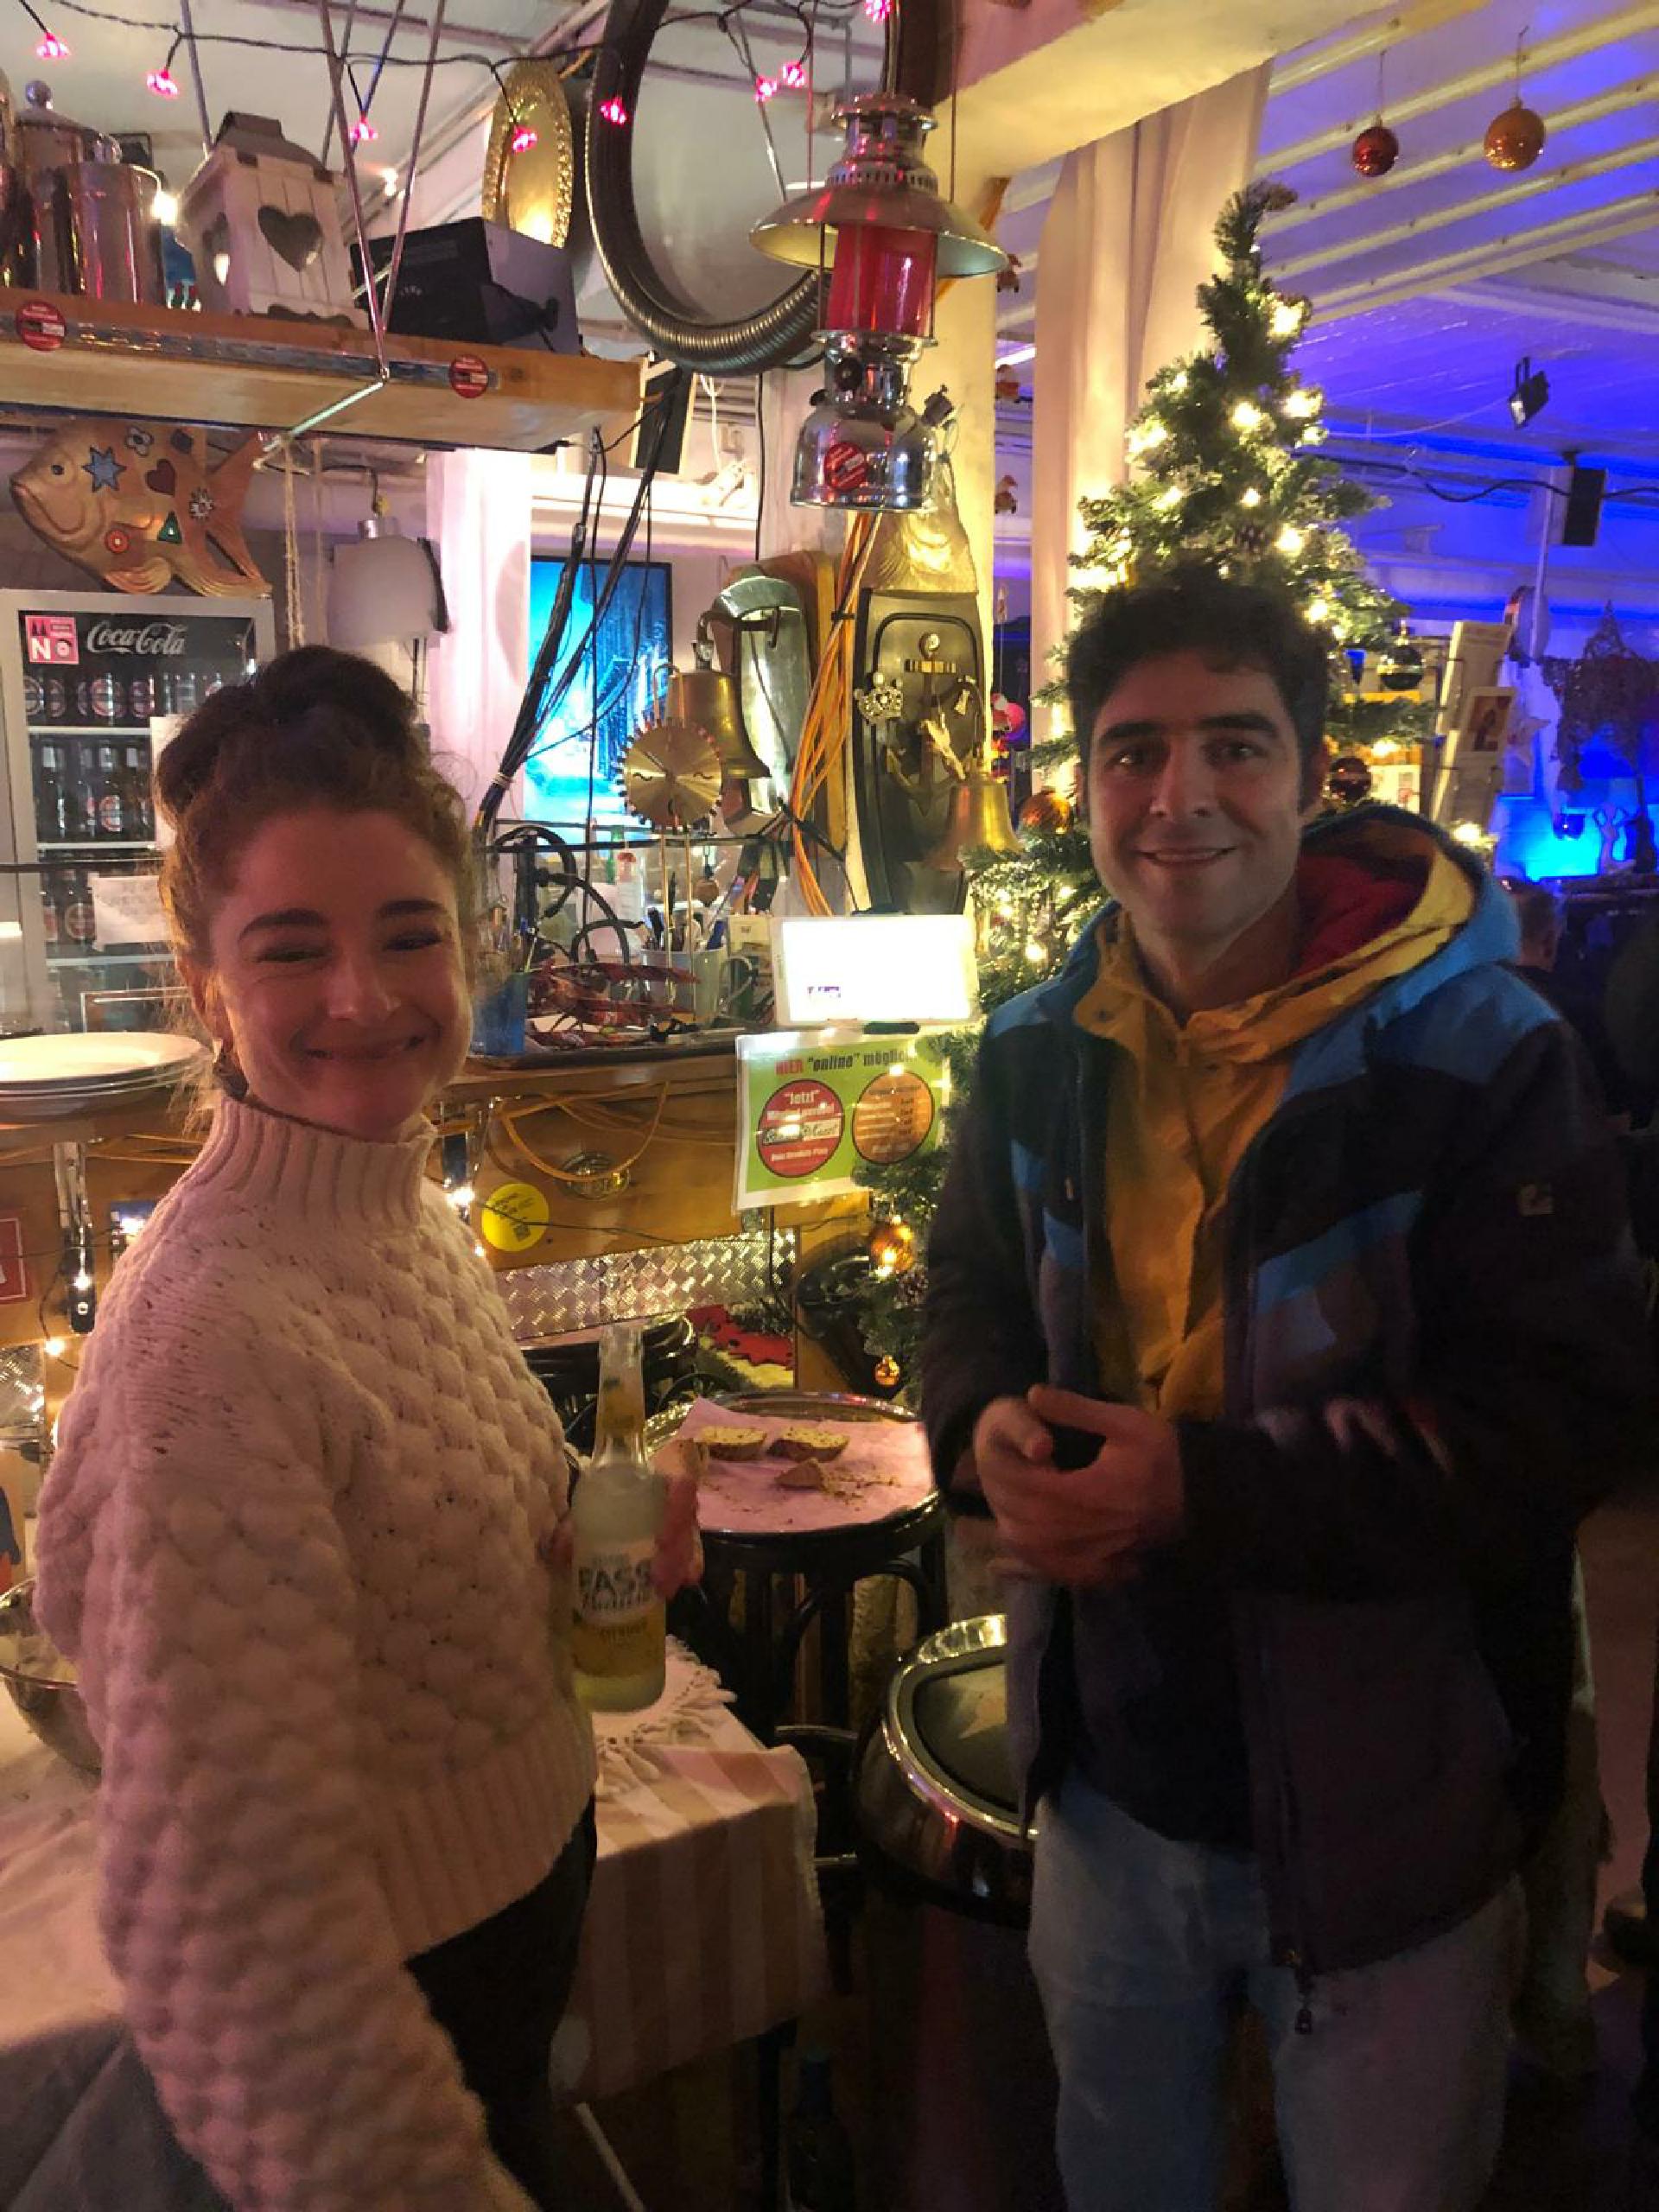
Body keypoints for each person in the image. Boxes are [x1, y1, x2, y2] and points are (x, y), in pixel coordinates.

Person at [921, 566, 1652, 2212]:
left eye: (1235, 746)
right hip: (1108, 1788)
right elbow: (963, 1289)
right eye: (1133, 751)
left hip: (1394, 1810)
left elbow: (1560, 1423)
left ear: (1316, 776)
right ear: (1086, 781)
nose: (1178, 797)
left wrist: (1201, 1492)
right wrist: (981, 1428)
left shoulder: (1484, 1052)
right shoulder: (1034, 1046)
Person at [32, 647, 700, 2212]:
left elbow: (407, 1556)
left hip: (504, 1936)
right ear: (205, 985)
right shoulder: (207, 1337)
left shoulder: (389, 1201)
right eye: (292, 950)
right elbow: (231, 1947)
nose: (366, 997)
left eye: (410, 934)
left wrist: (577, 1548)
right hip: (392, 2018)